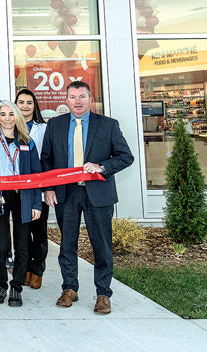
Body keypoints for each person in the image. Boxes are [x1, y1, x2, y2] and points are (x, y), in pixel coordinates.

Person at [41, 81, 134, 315]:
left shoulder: (108, 125)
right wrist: (49, 188)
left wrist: (102, 167)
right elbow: (46, 159)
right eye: (72, 97)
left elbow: (125, 156)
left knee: (101, 245)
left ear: (91, 99)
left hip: (98, 194)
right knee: (67, 244)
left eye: (82, 96)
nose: (78, 101)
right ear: (66, 100)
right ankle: (69, 288)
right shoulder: (55, 125)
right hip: (66, 193)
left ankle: (103, 293)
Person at [0, 101, 41, 308]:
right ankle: (1, 284)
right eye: (3, 114)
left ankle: (16, 286)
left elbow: (36, 174)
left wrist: (36, 204)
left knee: (22, 244)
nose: (7, 118)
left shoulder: (27, 142)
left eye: (11, 114)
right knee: (0, 245)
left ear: (17, 117)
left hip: (22, 196)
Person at [16, 88, 48, 290]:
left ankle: (37, 270)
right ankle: (25, 268)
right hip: (18, 191)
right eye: (21, 102)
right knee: (22, 234)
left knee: (39, 233)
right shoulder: (9, 127)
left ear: (34, 105)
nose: (25, 106)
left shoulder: (44, 128)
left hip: (39, 189)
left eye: (29, 102)